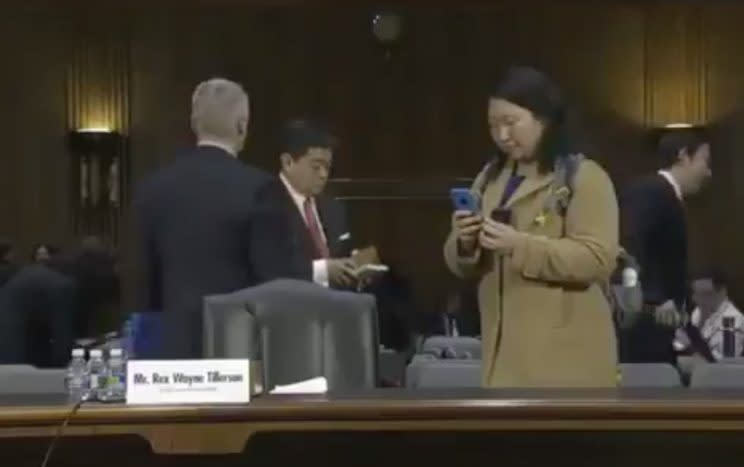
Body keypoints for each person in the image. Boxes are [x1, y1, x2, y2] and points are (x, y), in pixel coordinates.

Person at [443, 67, 619, 387]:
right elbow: (461, 263)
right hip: (501, 361)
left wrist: (519, 246)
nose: (502, 136)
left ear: (544, 119)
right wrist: (465, 242)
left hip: (566, 368)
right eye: (493, 126)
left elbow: (598, 257)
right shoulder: (491, 176)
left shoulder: (584, 176)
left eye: (511, 123)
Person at [132, 78, 303, 359]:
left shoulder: (153, 189)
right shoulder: (260, 189)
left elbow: (142, 286)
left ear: (193, 123)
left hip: (167, 361)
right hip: (238, 357)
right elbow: (279, 286)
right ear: (241, 125)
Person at [618, 128, 712, 364]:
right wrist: (653, 298)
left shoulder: (666, 195)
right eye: (704, 161)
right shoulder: (651, 191)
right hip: (646, 323)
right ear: (683, 155)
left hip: (665, 323)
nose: (708, 172)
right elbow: (630, 243)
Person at [259, 119, 358, 289]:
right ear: (287, 162)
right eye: (316, 166)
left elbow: (342, 254)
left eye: (327, 167)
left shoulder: (333, 206)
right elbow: (271, 269)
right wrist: (323, 270)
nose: (323, 175)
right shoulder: (266, 205)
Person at [675, 272, 743, 361]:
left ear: (722, 292)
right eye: (696, 293)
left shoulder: (732, 320)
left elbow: (725, 365)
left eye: (705, 294)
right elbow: (679, 343)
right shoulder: (698, 311)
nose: (696, 299)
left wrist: (690, 346)